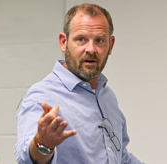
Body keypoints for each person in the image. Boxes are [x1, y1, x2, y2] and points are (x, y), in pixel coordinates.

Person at [15, 3, 145, 164]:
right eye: (81, 39)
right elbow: (27, 159)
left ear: (110, 45)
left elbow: (120, 157)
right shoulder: (42, 96)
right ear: (63, 42)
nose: (91, 49)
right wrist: (43, 144)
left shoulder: (107, 96)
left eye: (99, 40)